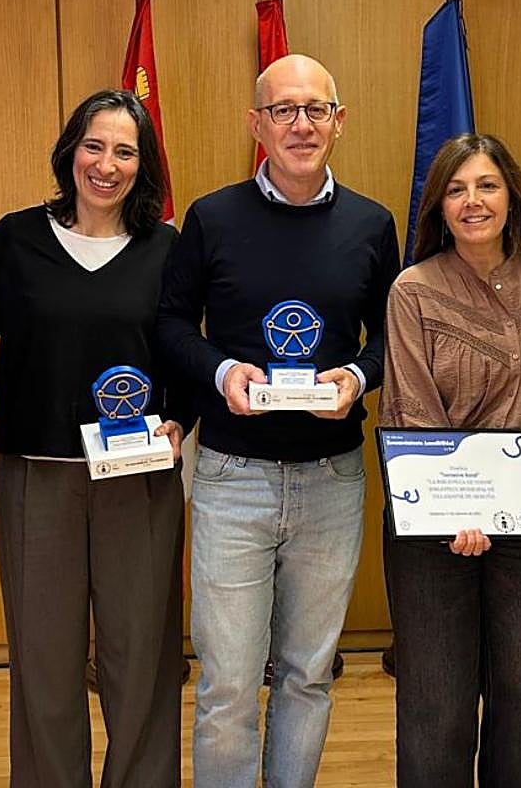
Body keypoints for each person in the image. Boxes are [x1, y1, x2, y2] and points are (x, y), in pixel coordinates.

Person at [157, 53, 399, 787]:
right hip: (233, 477)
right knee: (228, 684)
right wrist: (222, 373)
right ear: (256, 125)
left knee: (307, 674)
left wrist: (357, 375)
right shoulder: (212, 217)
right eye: (283, 110)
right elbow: (171, 323)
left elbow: (396, 333)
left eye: (315, 109)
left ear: (339, 121)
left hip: (331, 480)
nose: (301, 124)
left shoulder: (371, 224)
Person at [0, 89, 189, 788]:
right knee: (44, 660)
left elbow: (187, 349)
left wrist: (180, 418)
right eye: (93, 146)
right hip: (39, 475)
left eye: (124, 150)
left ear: (143, 164)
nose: (106, 164)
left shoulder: (167, 248)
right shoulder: (15, 240)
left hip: (141, 474)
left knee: (143, 658)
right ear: (70, 150)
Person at [379, 134, 521, 787]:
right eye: (456, 189)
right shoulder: (415, 291)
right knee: (437, 702)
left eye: (486, 185)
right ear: (439, 206)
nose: (472, 201)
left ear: (511, 195)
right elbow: (410, 404)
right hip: (438, 514)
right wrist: (461, 505)